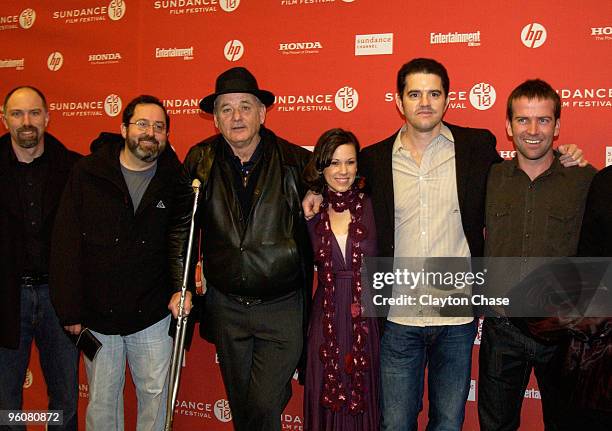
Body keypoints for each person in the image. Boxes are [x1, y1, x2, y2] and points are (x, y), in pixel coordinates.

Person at [303, 58, 586, 431]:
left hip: (456, 319)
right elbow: (338, 180)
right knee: (395, 424)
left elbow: (527, 165)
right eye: (415, 94)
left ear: (447, 99)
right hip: (397, 316)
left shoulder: (476, 147)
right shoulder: (373, 159)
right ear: (398, 100)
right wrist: (313, 190)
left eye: (434, 93)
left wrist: (569, 156)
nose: (425, 102)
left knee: (448, 423)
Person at [50, 95, 192, 431]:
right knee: (101, 403)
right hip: (98, 316)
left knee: (156, 400)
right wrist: (69, 309)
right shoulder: (87, 173)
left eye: (159, 127)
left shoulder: (175, 181)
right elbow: (66, 242)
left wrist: (180, 292)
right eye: (142, 124)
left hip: (153, 315)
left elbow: (182, 243)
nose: (150, 133)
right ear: (123, 128)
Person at [183, 66, 313, 431]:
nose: (236, 116)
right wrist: (184, 282)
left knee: (263, 401)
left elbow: (344, 189)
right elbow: (183, 228)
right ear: (215, 119)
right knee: (243, 406)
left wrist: (317, 190)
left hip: (282, 305)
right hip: (227, 306)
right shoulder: (200, 160)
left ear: (262, 113)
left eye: (245, 106)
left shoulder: (295, 163)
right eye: (225, 108)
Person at [478, 79, 596, 431]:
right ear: (508, 126)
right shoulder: (489, 178)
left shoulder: (586, 180)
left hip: (563, 334)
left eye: (543, 120)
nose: (532, 130)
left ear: (557, 126)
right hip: (501, 330)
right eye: (523, 120)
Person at [0, 86, 81, 431]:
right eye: (17, 114)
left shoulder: (75, 168)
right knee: (6, 403)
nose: (26, 122)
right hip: (6, 297)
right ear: (4, 120)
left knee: (64, 400)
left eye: (34, 113)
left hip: (58, 299)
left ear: (48, 117)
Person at [301, 128, 379, 430]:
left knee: (364, 389)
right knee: (326, 388)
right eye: (334, 163)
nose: (343, 171)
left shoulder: (374, 205)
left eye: (349, 162)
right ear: (321, 166)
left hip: (366, 317)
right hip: (327, 316)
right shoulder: (311, 211)